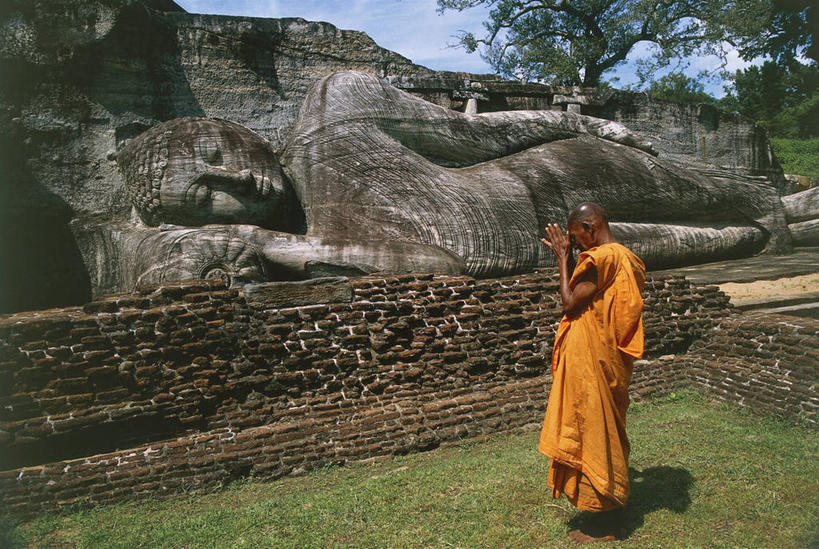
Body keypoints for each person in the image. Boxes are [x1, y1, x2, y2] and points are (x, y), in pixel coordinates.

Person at [538, 202, 646, 543]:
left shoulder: (603, 259)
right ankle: (607, 509)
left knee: (592, 429)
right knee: (602, 430)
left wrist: (562, 258)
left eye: (576, 236)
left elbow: (570, 303)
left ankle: (605, 523)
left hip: (594, 362)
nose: (575, 242)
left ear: (592, 225)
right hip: (604, 358)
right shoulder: (626, 257)